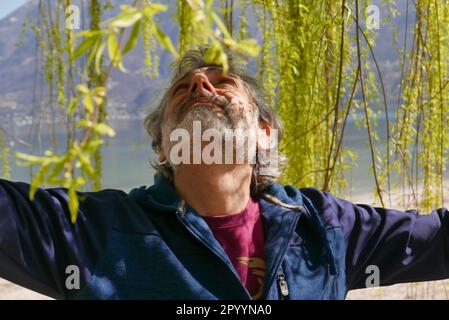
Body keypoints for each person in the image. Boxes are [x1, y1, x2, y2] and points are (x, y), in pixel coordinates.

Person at [1, 47, 449, 300]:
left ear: (263, 133)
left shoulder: (323, 227)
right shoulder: (95, 229)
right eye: (184, 88)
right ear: (162, 145)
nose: (201, 86)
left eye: (222, 83)